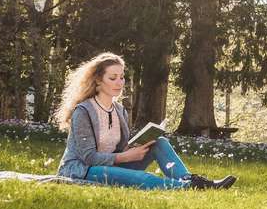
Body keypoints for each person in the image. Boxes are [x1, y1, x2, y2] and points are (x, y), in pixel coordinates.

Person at [53, 52, 235, 190]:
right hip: (83, 169)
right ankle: (188, 187)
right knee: (145, 180)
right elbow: (88, 157)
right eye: (113, 78)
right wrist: (125, 156)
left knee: (159, 142)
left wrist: (137, 146)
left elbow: (120, 147)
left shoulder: (119, 110)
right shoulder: (83, 111)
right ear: (98, 81)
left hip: (113, 164)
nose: (120, 82)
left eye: (122, 77)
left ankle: (189, 179)